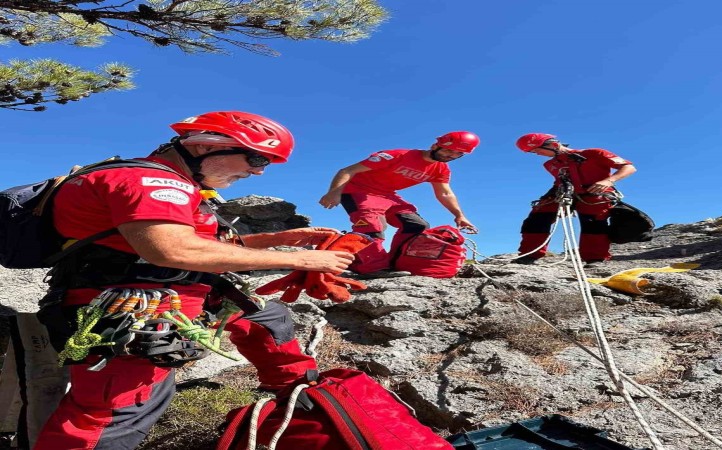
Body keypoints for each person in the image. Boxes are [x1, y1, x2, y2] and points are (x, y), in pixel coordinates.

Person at [33, 111, 355, 450]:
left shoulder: (177, 185)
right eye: (257, 157)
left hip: (180, 297)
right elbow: (170, 249)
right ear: (206, 146)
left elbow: (202, 247)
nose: (258, 170)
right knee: (115, 412)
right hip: (134, 311)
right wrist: (302, 260)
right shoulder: (155, 183)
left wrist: (281, 238)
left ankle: (300, 397)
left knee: (267, 319)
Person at [318, 132, 479, 275]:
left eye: (458, 154)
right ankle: (368, 268)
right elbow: (347, 171)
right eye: (448, 150)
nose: (450, 156)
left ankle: (396, 262)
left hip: (387, 196)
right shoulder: (397, 155)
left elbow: (444, 192)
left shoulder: (441, 169)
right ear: (435, 145)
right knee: (372, 227)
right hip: (357, 191)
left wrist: (459, 215)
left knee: (417, 225)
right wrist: (334, 192)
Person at [513, 133, 637, 267]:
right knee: (537, 218)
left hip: (595, 193)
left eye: (536, 149)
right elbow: (559, 181)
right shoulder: (551, 164)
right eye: (532, 152)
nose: (536, 153)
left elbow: (629, 167)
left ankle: (595, 259)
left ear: (553, 145)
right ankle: (529, 255)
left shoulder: (594, 153)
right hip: (565, 193)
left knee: (593, 223)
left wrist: (609, 181)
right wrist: (547, 197)